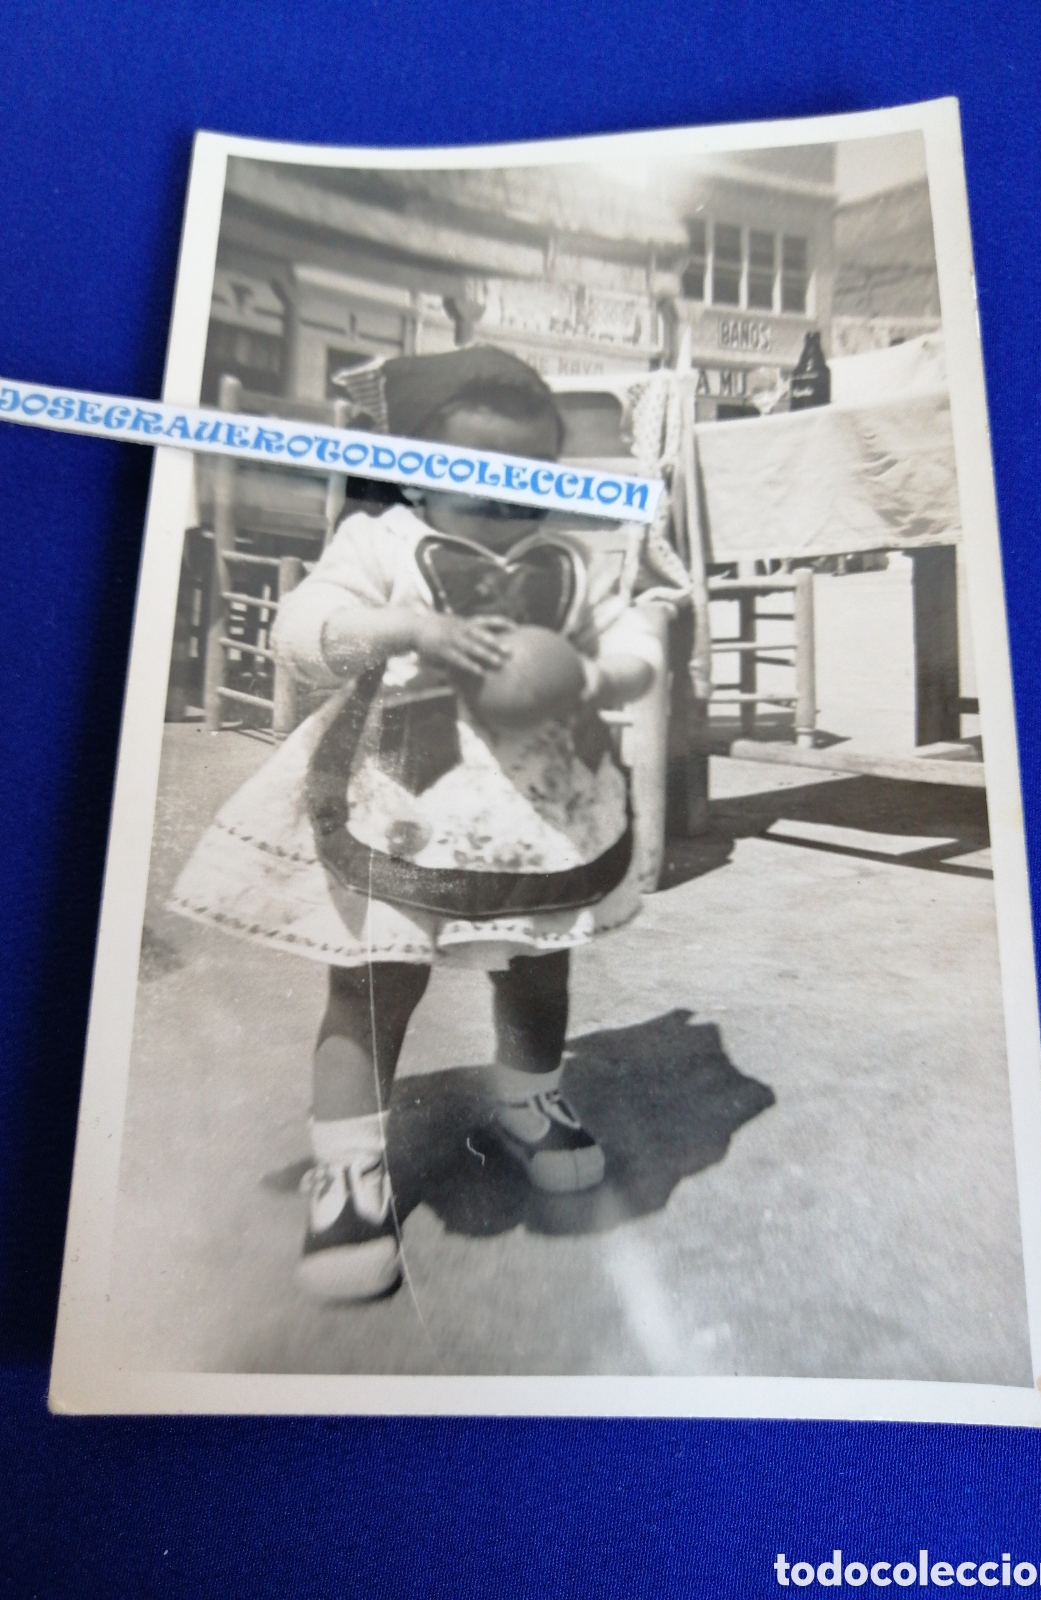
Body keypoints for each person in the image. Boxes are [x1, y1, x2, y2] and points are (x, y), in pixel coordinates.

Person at [171, 346, 656, 1302]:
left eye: (529, 483)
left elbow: (634, 632)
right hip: (400, 799)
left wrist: (598, 673)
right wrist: (410, 629)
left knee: (536, 957)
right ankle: (348, 1166)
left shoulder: (570, 559)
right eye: (479, 483)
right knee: (369, 982)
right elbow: (302, 627)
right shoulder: (380, 544)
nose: (511, 507)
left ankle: (528, 1096)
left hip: (534, 806)